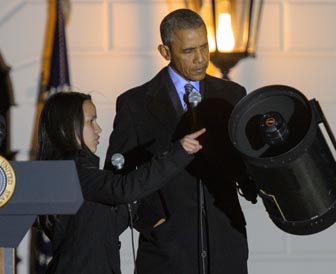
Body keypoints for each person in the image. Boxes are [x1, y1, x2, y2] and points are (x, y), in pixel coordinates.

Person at [104, 8, 258, 274]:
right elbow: (119, 177)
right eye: (188, 51)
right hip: (166, 251)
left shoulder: (231, 95)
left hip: (226, 247)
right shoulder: (135, 104)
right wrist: (152, 220)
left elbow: (247, 162)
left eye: (204, 47)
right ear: (165, 52)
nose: (200, 59)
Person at [36, 91, 205, 274]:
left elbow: (106, 226)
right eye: (90, 121)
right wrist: (177, 153)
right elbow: (122, 189)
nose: (98, 129)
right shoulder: (69, 171)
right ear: (66, 127)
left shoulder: (81, 173)